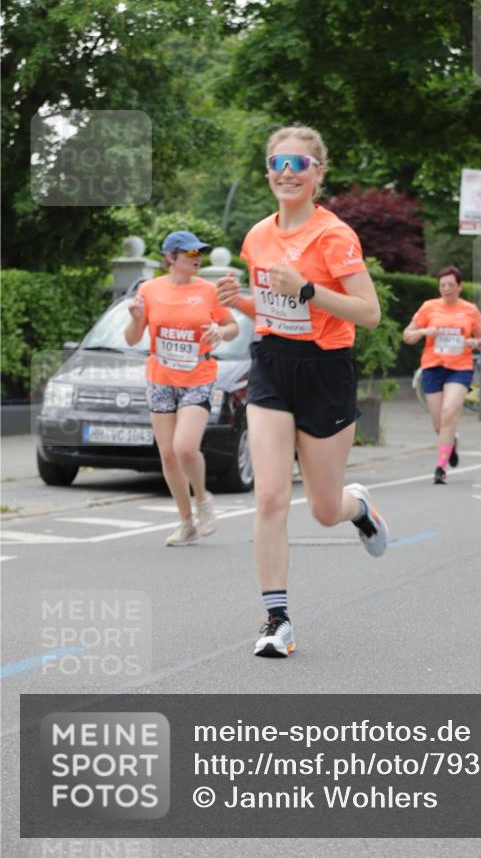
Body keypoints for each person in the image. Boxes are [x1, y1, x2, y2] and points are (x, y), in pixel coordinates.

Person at [215, 125, 389, 659]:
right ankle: (277, 620)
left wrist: (310, 290)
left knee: (321, 509)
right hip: (270, 365)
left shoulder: (334, 236)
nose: (285, 172)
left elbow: (370, 313)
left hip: (325, 371)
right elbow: (274, 310)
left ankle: (357, 506)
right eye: (277, 163)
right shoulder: (256, 236)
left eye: (298, 164)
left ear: (318, 173)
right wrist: (239, 300)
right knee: (268, 495)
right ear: (268, 170)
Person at [124, 231, 238, 546]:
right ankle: (186, 522)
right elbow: (133, 339)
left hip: (198, 375)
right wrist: (135, 320)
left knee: (185, 448)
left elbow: (233, 326)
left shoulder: (208, 291)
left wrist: (220, 330)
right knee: (168, 456)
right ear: (171, 257)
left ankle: (203, 500)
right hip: (160, 378)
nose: (197, 258)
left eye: (200, 253)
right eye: (190, 254)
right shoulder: (149, 289)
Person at [403, 266, 481, 485]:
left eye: (451, 284)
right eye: (443, 285)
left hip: (460, 367)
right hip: (433, 367)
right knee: (439, 423)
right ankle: (452, 441)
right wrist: (424, 331)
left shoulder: (470, 310)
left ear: (459, 287)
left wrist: (475, 342)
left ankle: (440, 468)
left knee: (449, 412)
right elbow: (407, 335)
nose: (447, 288)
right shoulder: (428, 307)